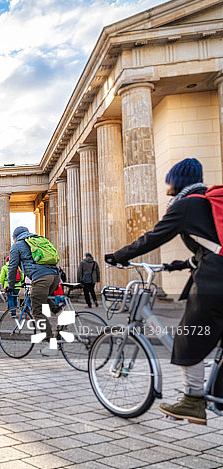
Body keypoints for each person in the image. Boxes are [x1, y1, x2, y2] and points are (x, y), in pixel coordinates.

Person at [105, 158, 223, 426]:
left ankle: (193, 401)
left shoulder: (186, 205)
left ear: (176, 180)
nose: (166, 184)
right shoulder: (207, 202)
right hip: (216, 269)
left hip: (215, 282)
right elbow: (210, 246)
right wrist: (176, 265)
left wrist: (119, 255)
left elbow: (154, 236)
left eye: (168, 178)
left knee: (188, 336)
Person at [7, 226, 61, 356]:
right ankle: (58, 311)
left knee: (37, 311)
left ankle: (51, 344)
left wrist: (10, 285)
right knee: (39, 298)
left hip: (41, 278)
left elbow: (12, 267)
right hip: (54, 277)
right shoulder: (38, 240)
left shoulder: (17, 245)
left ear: (15, 237)